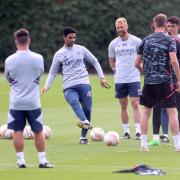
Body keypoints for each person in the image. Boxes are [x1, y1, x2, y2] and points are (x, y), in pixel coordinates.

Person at [41, 27, 108, 144]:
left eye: (74, 37)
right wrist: (46, 86)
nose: (72, 40)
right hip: (69, 87)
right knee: (74, 102)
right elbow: (52, 72)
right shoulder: (59, 54)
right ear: (64, 38)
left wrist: (101, 77)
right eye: (70, 37)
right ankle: (87, 123)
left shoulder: (81, 49)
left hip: (84, 84)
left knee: (87, 109)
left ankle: (83, 137)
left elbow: (94, 61)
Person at [5, 28, 53, 168]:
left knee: (17, 131)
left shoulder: (9, 60)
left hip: (16, 102)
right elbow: (40, 74)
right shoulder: (38, 58)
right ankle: (42, 161)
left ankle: (21, 162)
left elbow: (8, 78)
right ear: (29, 40)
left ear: (16, 42)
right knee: (38, 131)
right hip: (33, 102)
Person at [135, 14, 180, 152]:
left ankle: (143, 144)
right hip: (165, 81)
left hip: (149, 81)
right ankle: (178, 145)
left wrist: (146, 71)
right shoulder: (169, 40)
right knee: (172, 111)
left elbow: (136, 63)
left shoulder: (145, 40)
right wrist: (178, 79)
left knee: (146, 111)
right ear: (166, 24)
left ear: (154, 24)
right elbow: (173, 60)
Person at [148, 16, 180, 146]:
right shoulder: (165, 40)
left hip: (175, 78)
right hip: (163, 78)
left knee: (176, 107)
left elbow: (175, 60)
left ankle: (177, 137)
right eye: (169, 26)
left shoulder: (176, 42)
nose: (171, 28)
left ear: (178, 27)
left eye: (173, 26)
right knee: (158, 107)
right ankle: (159, 136)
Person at [108, 17, 141, 140]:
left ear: (126, 27)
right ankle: (126, 132)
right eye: (118, 28)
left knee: (135, 103)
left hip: (134, 78)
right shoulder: (113, 44)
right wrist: (115, 71)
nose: (120, 29)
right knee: (123, 105)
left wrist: (140, 68)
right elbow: (111, 61)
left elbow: (142, 56)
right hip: (120, 79)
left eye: (122, 27)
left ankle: (138, 131)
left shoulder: (137, 41)